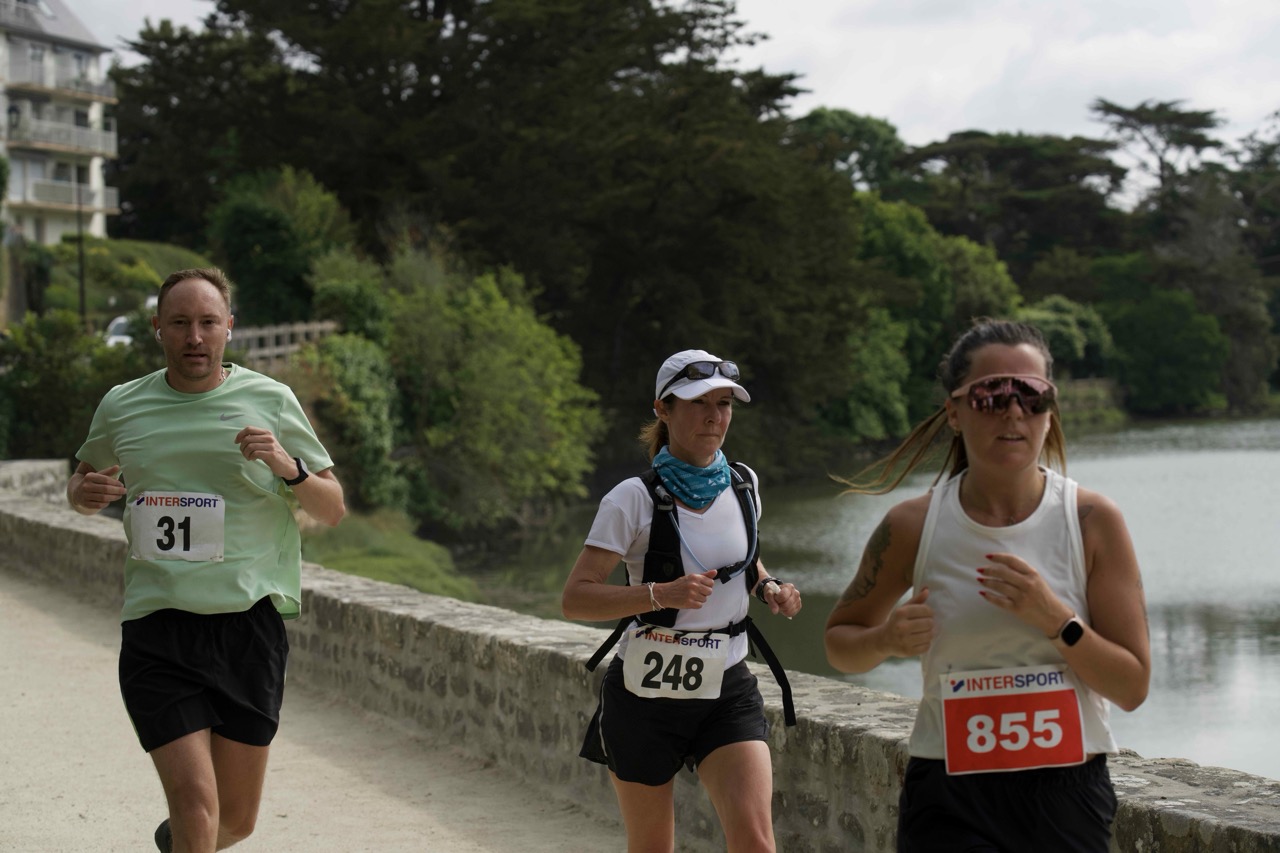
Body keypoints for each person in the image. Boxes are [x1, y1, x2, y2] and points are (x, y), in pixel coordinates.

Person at [824, 319, 1150, 852]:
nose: (1014, 411)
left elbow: (1132, 687)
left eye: (1032, 395)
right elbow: (839, 644)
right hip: (950, 796)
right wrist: (886, 640)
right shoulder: (912, 526)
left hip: (1066, 795)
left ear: (1050, 409)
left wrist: (1056, 620)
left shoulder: (1092, 520)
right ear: (954, 411)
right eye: (991, 395)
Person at [66, 268, 346, 853]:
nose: (194, 336)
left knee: (234, 822)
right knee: (196, 804)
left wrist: (287, 467)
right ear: (158, 328)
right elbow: (83, 479)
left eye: (208, 323)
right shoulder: (123, 405)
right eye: (180, 323)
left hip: (247, 629)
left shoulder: (271, 400)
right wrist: (82, 494)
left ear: (228, 328)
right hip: (158, 626)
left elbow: (332, 508)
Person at [562, 349, 802, 853]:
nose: (714, 416)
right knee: (653, 846)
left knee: (757, 843)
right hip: (644, 695)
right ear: (662, 409)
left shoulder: (744, 484)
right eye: (698, 403)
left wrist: (768, 587)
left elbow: (745, 560)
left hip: (727, 686)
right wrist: (659, 594)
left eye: (724, 404)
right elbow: (576, 599)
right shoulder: (630, 498)